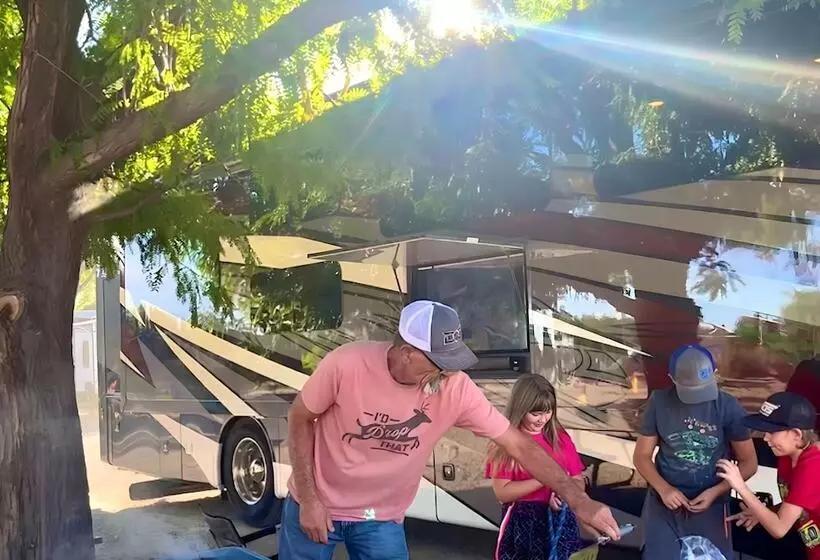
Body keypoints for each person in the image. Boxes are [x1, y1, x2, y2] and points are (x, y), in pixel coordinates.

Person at [281, 300, 620, 559]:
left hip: (379, 519)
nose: (448, 373)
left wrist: (579, 499)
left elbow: (520, 446)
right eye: (440, 364)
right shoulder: (346, 363)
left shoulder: (455, 387)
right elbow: (299, 418)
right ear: (407, 353)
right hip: (315, 505)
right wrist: (310, 499)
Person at [632, 344, 758, 559]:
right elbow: (641, 456)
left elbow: (749, 463)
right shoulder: (660, 402)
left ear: (715, 375)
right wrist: (664, 489)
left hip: (711, 501)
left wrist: (716, 491)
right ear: (672, 378)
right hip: (664, 501)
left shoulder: (727, 406)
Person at [486, 374, 586, 560]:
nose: (542, 419)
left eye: (547, 412)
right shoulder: (506, 443)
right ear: (520, 409)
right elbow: (503, 493)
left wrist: (565, 494)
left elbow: (577, 480)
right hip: (523, 522)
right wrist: (545, 477)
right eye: (535, 413)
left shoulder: (561, 439)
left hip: (560, 520)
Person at [718, 391, 820, 559]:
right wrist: (764, 512)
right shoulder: (788, 455)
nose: (765, 438)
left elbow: (779, 529)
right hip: (807, 540)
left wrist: (741, 487)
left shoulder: (813, 467)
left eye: (772, 432)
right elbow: (797, 503)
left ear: (796, 434)